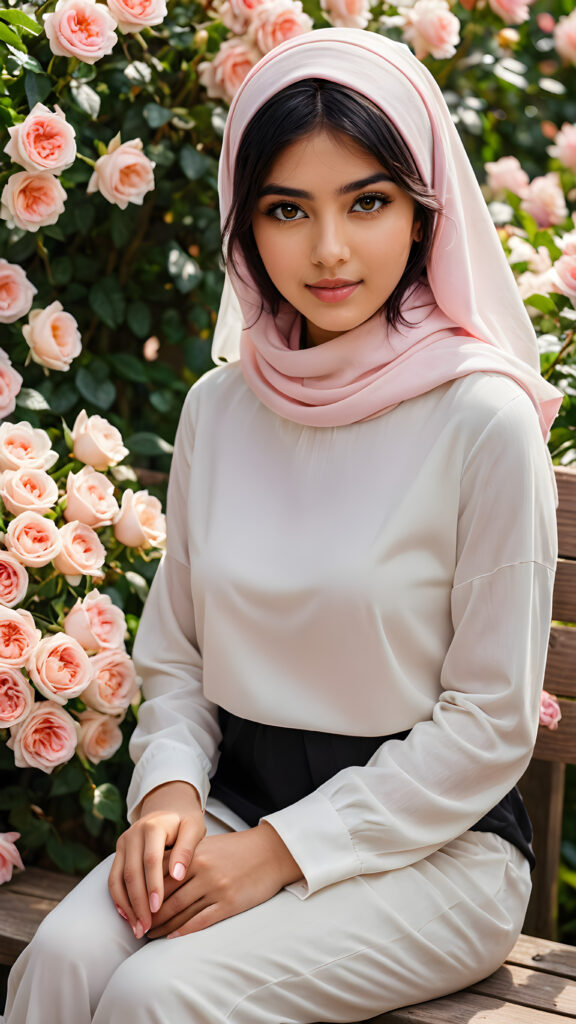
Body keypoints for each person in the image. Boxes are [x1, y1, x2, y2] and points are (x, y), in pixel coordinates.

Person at [2, 27, 563, 1024]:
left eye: (369, 202)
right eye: (287, 209)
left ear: (425, 211)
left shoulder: (483, 421)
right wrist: (171, 792)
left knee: (155, 997)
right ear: (244, 222)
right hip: (232, 805)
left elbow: (487, 723)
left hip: (438, 848)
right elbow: (177, 658)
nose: (331, 249)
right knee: (58, 963)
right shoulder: (222, 408)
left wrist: (280, 852)